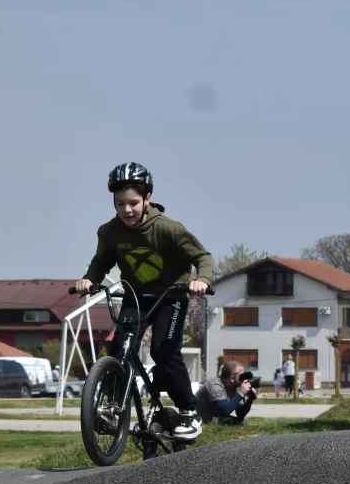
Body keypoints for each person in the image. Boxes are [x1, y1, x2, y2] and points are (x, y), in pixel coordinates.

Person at [76, 162, 214, 441]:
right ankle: (112, 411)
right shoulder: (109, 232)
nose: (126, 210)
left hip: (171, 296)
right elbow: (102, 261)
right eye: (119, 204)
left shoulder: (168, 229)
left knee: (163, 351)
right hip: (135, 295)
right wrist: (89, 279)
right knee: (120, 351)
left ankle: (189, 411)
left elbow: (203, 258)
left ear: (147, 198)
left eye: (133, 203)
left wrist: (203, 280)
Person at [198, 360, 258, 425]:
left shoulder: (235, 387)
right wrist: (240, 393)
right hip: (200, 418)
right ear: (232, 378)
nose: (244, 379)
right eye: (241, 376)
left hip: (216, 417)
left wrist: (250, 399)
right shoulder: (215, 385)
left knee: (242, 423)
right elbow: (224, 411)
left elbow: (240, 414)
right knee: (240, 423)